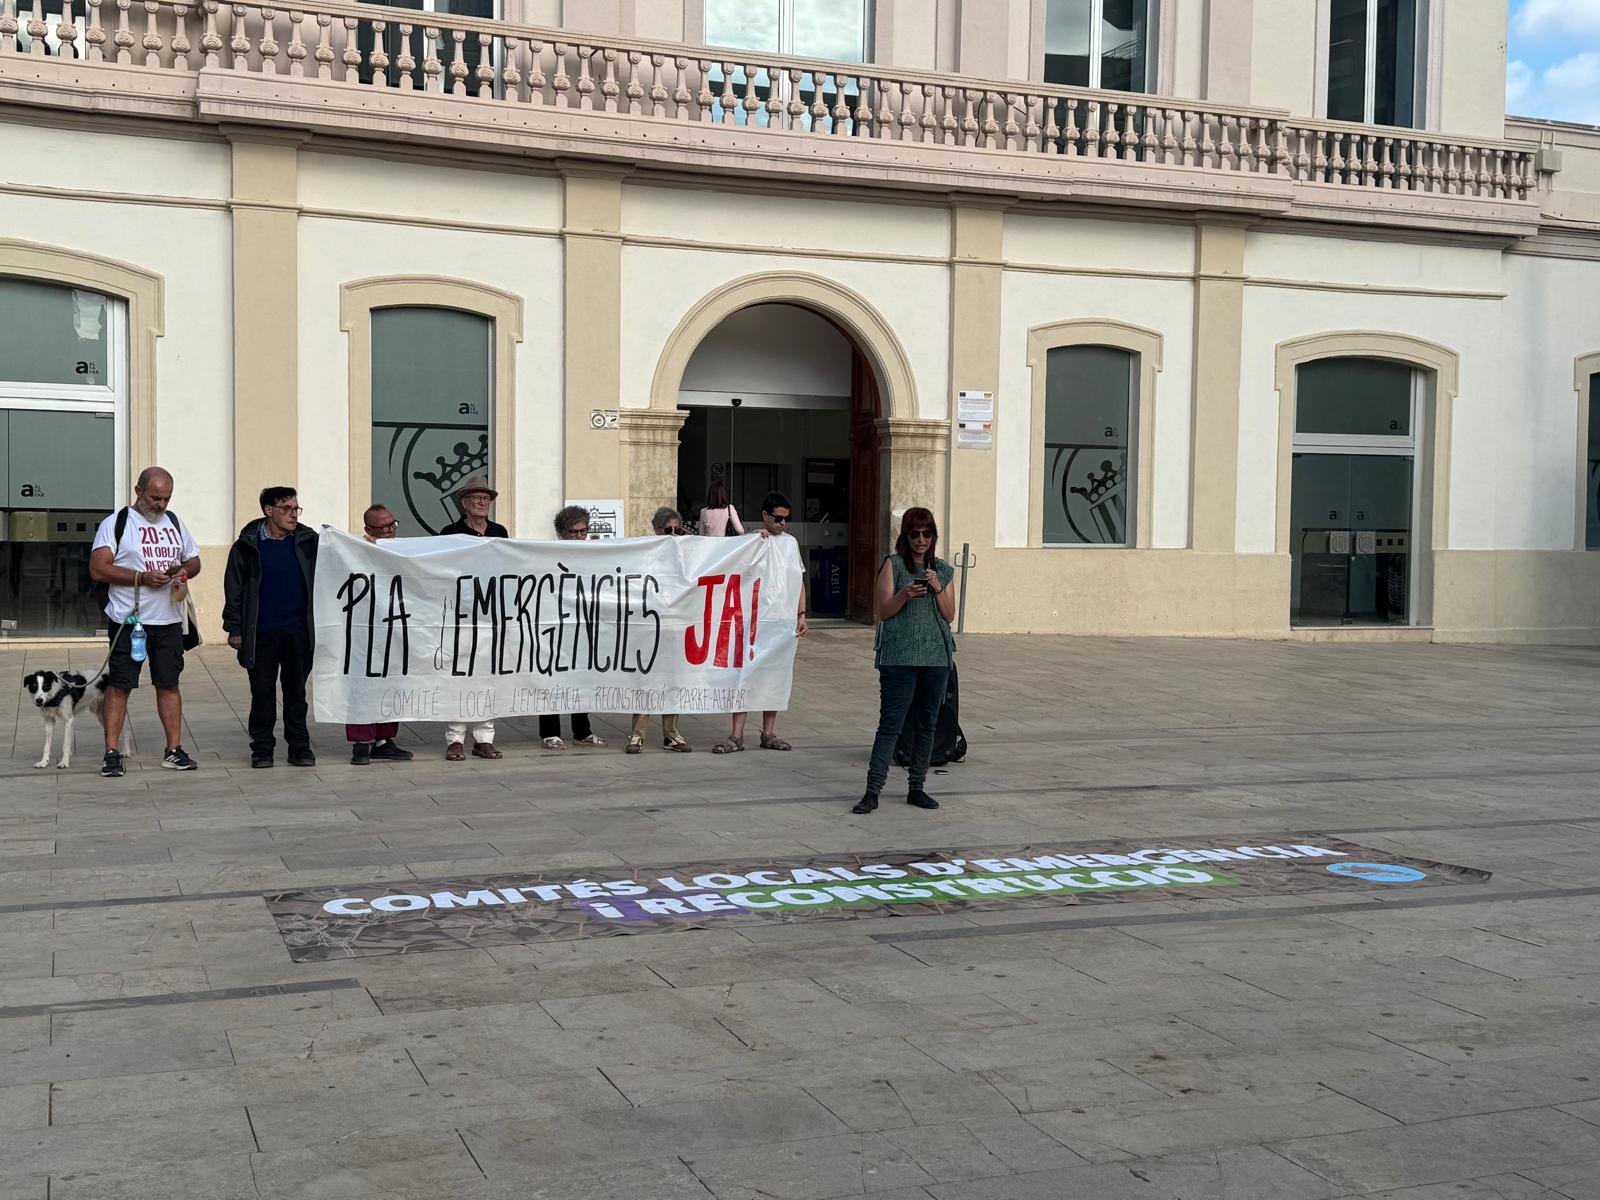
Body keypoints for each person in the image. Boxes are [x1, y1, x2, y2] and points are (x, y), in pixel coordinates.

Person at [88, 466, 203, 777]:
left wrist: (184, 570)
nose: (161, 505)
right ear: (138, 491)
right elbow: (98, 569)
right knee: (120, 685)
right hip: (129, 621)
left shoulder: (174, 522)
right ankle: (112, 752)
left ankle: (174, 750)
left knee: (169, 683)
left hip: (169, 621)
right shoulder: (116, 524)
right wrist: (140, 577)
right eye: (155, 498)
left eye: (166, 499)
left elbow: (194, 559)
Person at [852, 507, 956, 814]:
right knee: (891, 724)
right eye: (915, 534)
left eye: (927, 534)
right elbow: (883, 611)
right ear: (906, 536)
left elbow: (950, 615)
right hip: (899, 657)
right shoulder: (893, 564)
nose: (921, 540)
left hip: (935, 658)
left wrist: (937, 587)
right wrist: (905, 594)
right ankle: (872, 791)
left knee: (927, 724)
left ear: (934, 536)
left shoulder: (943, 570)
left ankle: (917, 787)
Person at [223, 486, 320, 769]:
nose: (293, 514)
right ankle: (262, 749)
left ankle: (299, 747)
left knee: (296, 692)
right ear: (268, 510)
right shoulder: (247, 545)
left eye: (296, 508)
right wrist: (234, 628)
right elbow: (234, 589)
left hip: (298, 631)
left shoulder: (308, 541)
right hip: (261, 632)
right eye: (286, 509)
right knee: (262, 693)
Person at [712, 492, 807, 754]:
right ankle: (737, 735)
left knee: (776, 675)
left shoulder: (790, 543)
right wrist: (752, 538)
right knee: (745, 674)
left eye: (786, 519)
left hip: (783, 620)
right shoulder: (753, 541)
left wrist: (801, 613)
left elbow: (799, 580)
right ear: (765, 515)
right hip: (755, 619)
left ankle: (768, 732)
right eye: (778, 518)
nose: (782, 524)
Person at [440, 477, 506, 760]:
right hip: (461, 612)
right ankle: (455, 739)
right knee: (459, 675)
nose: (482, 503)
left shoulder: (499, 532)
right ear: (464, 503)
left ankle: (484, 738)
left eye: (486, 498)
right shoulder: (450, 533)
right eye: (477, 498)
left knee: (488, 676)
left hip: (491, 613)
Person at [345, 504, 414, 766]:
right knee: (362, 684)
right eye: (383, 527)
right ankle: (361, 742)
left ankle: (384, 740)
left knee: (392, 681)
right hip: (363, 629)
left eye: (392, 524)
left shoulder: (402, 551)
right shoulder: (356, 553)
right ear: (368, 529)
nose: (390, 531)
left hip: (395, 626)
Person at [626, 507, 693, 754]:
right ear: (656, 529)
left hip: (675, 625)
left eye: (678, 530)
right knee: (645, 680)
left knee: (672, 679)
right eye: (668, 530)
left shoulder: (687, 553)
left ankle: (671, 734)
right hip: (649, 626)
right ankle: (637, 734)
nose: (673, 535)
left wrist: (755, 538)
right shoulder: (645, 553)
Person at [540, 505, 607, 750]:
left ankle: (582, 731)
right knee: (552, 677)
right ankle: (550, 732)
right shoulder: (548, 555)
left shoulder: (593, 555)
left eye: (583, 531)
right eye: (574, 532)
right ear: (561, 532)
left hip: (583, 624)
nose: (580, 536)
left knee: (581, 677)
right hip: (554, 623)